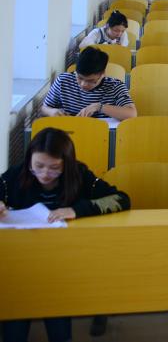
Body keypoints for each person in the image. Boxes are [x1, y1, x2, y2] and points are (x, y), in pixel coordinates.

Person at [1, 128, 131, 342]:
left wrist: (76, 210)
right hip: (22, 261)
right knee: (17, 310)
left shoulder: (79, 174)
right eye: (38, 166)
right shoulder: (16, 175)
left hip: (64, 260)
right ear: (29, 160)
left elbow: (121, 198)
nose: (44, 174)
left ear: (66, 164)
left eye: (54, 168)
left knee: (56, 307)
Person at [41, 47, 136, 120]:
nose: (83, 84)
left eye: (91, 81)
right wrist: (52, 112)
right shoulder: (63, 81)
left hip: (99, 134)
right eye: (79, 78)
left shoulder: (115, 86)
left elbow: (132, 114)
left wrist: (99, 107)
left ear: (103, 74)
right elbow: (44, 108)